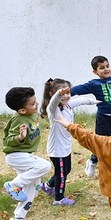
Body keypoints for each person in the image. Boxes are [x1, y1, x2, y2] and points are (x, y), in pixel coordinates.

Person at [39, 78, 98, 206]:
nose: (66, 96)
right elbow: (54, 102)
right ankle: (59, 199)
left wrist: (94, 101)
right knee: (61, 175)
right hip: (56, 149)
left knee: (66, 170)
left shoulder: (68, 105)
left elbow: (81, 100)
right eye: (62, 93)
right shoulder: (53, 110)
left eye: (67, 93)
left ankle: (48, 185)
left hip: (65, 147)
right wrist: (58, 94)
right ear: (52, 94)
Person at [2, 87, 52, 220]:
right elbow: (8, 140)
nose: (37, 104)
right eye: (32, 104)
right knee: (45, 166)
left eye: (36, 101)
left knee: (33, 187)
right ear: (22, 110)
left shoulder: (32, 112)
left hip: (24, 154)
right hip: (16, 155)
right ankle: (13, 185)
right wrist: (20, 137)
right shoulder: (19, 120)